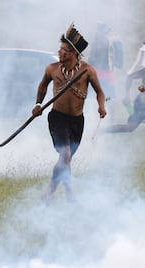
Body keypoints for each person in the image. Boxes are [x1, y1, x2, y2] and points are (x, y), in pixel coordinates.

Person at [32, 23, 107, 203]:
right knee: (65, 154)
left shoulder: (87, 71)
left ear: (73, 53)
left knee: (65, 159)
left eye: (64, 50)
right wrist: (37, 104)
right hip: (57, 119)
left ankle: (55, 190)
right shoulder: (52, 69)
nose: (60, 52)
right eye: (60, 49)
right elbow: (43, 86)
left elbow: (100, 92)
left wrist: (101, 106)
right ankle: (64, 191)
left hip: (77, 121)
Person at [102, 46, 145, 159]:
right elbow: (130, 77)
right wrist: (126, 94)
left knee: (130, 128)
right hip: (143, 105)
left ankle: (104, 131)